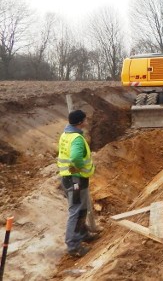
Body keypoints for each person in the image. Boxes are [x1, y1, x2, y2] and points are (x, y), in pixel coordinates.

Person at [57, 109, 99, 257]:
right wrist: (79, 168)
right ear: (81, 122)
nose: (86, 121)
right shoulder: (76, 139)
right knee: (76, 210)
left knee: (81, 208)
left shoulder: (65, 134)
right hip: (75, 178)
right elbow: (75, 157)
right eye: (85, 119)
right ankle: (73, 246)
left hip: (70, 177)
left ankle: (82, 233)